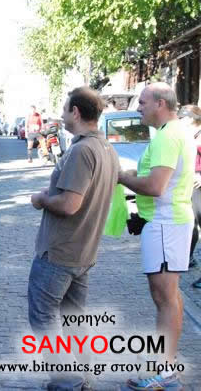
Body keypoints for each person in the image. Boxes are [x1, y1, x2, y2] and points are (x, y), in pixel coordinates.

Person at [27, 87, 118, 390]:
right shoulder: (104, 147)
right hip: (83, 251)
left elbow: (69, 204)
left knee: (43, 317)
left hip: (60, 250)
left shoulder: (82, 150)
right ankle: (83, 377)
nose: (62, 115)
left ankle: (68, 379)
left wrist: (42, 198)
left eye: (65, 109)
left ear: (76, 112)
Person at [118, 83, 195, 390]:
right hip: (168, 221)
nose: (138, 107)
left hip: (166, 222)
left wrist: (122, 177)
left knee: (164, 299)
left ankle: (165, 372)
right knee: (170, 297)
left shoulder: (166, 136)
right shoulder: (173, 132)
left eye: (142, 102)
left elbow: (155, 186)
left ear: (160, 104)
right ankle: (167, 366)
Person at [178, 105, 201, 273]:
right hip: (189, 184)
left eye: (182, 118)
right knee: (190, 222)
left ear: (192, 119)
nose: (179, 121)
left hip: (198, 185)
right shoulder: (187, 135)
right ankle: (188, 258)